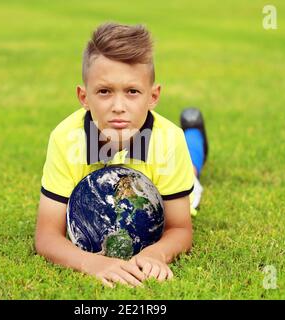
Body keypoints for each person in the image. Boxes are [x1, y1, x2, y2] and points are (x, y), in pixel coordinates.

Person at [35, 22, 209, 288]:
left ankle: (194, 134)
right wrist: (90, 262)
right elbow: (47, 235)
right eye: (104, 91)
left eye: (132, 92)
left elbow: (180, 229)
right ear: (84, 97)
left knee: (192, 175)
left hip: (163, 184)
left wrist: (156, 253)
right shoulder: (65, 138)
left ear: (153, 96)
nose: (118, 107)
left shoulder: (168, 140)